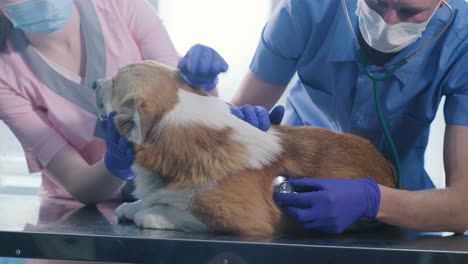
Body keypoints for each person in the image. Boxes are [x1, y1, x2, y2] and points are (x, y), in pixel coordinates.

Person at [185, 0, 468, 234]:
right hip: (293, 194)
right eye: (377, 3)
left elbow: (462, 207)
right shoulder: (307, 8)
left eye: (409, 12)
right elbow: (233, 126)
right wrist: (203, 90)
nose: (389, 23)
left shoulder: (461, 39)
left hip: (405, 210)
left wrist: (373, 201)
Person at [0, 0, 229, 206]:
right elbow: (77, 182)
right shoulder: (6, 74)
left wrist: (201, 85)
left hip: (166, 200)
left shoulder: (120, 6)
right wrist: (116, 163)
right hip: (74, 222)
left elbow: (180, 102)